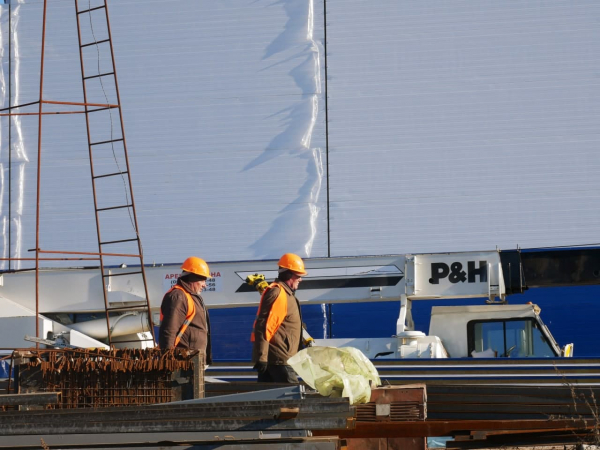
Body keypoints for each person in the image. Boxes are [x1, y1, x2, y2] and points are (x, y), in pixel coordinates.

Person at [251, 253, 307, 383]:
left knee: (270, 400)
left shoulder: (287, 294)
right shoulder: (278, 293)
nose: (301, 279)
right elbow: (265, 326)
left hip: (281, 358)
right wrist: (262, 357)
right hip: (280, 359)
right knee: (293, 398)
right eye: (298, 275)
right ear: (288, 275)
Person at [159, 256, 212, 365]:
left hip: (193, 360)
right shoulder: (179, 297)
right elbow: (169, 331)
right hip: (183, 363)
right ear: (192, 278)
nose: (204, 285)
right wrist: (168, 362)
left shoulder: (190, 297)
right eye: (202, 280)